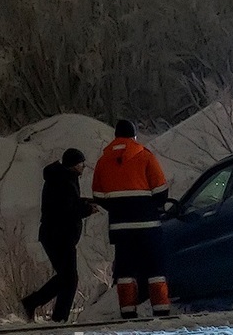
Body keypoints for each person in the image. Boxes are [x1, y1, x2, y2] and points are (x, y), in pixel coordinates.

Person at [91, 120, 172, 319]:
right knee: (155, 269)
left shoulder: (103, 161)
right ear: (134, 136)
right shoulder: (145, 156)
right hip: (148, 225)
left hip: (120, 227)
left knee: (125, 270)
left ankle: (128, 312)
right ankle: (161, 310)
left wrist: (117, 206)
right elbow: (161, 190)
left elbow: (98, 195)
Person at [20, 148, 99, 323]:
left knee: (67, 277)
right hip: (59, 235)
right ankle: (43, 309)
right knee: (69, 278)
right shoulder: (63, 180)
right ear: (73, 165)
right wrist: (87, 209)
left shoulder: (61, 178)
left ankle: (49, 312)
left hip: (57, 235)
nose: (83, 166)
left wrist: (86, 202)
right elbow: (65, 209)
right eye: (81, 163)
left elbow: (68, 203)